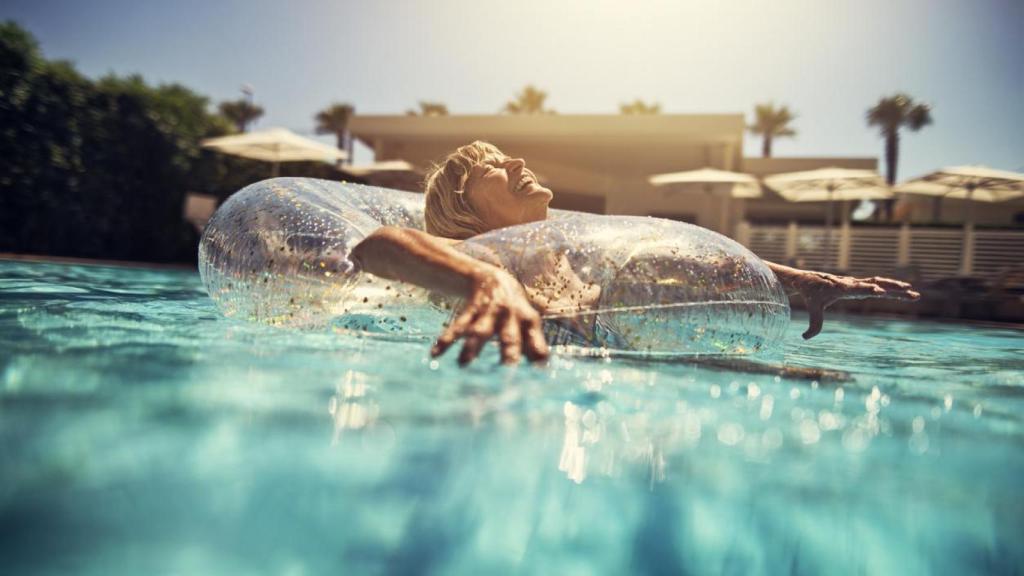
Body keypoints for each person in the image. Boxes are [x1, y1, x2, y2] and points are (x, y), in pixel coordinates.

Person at [350, 141, 919, 366]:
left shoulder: (574, 253)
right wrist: (484, 281)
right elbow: (378, 245)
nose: (519, 165)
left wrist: (802, 279)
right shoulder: (476, 254)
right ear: (466, 213)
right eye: (493, 168)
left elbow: (682, 258)